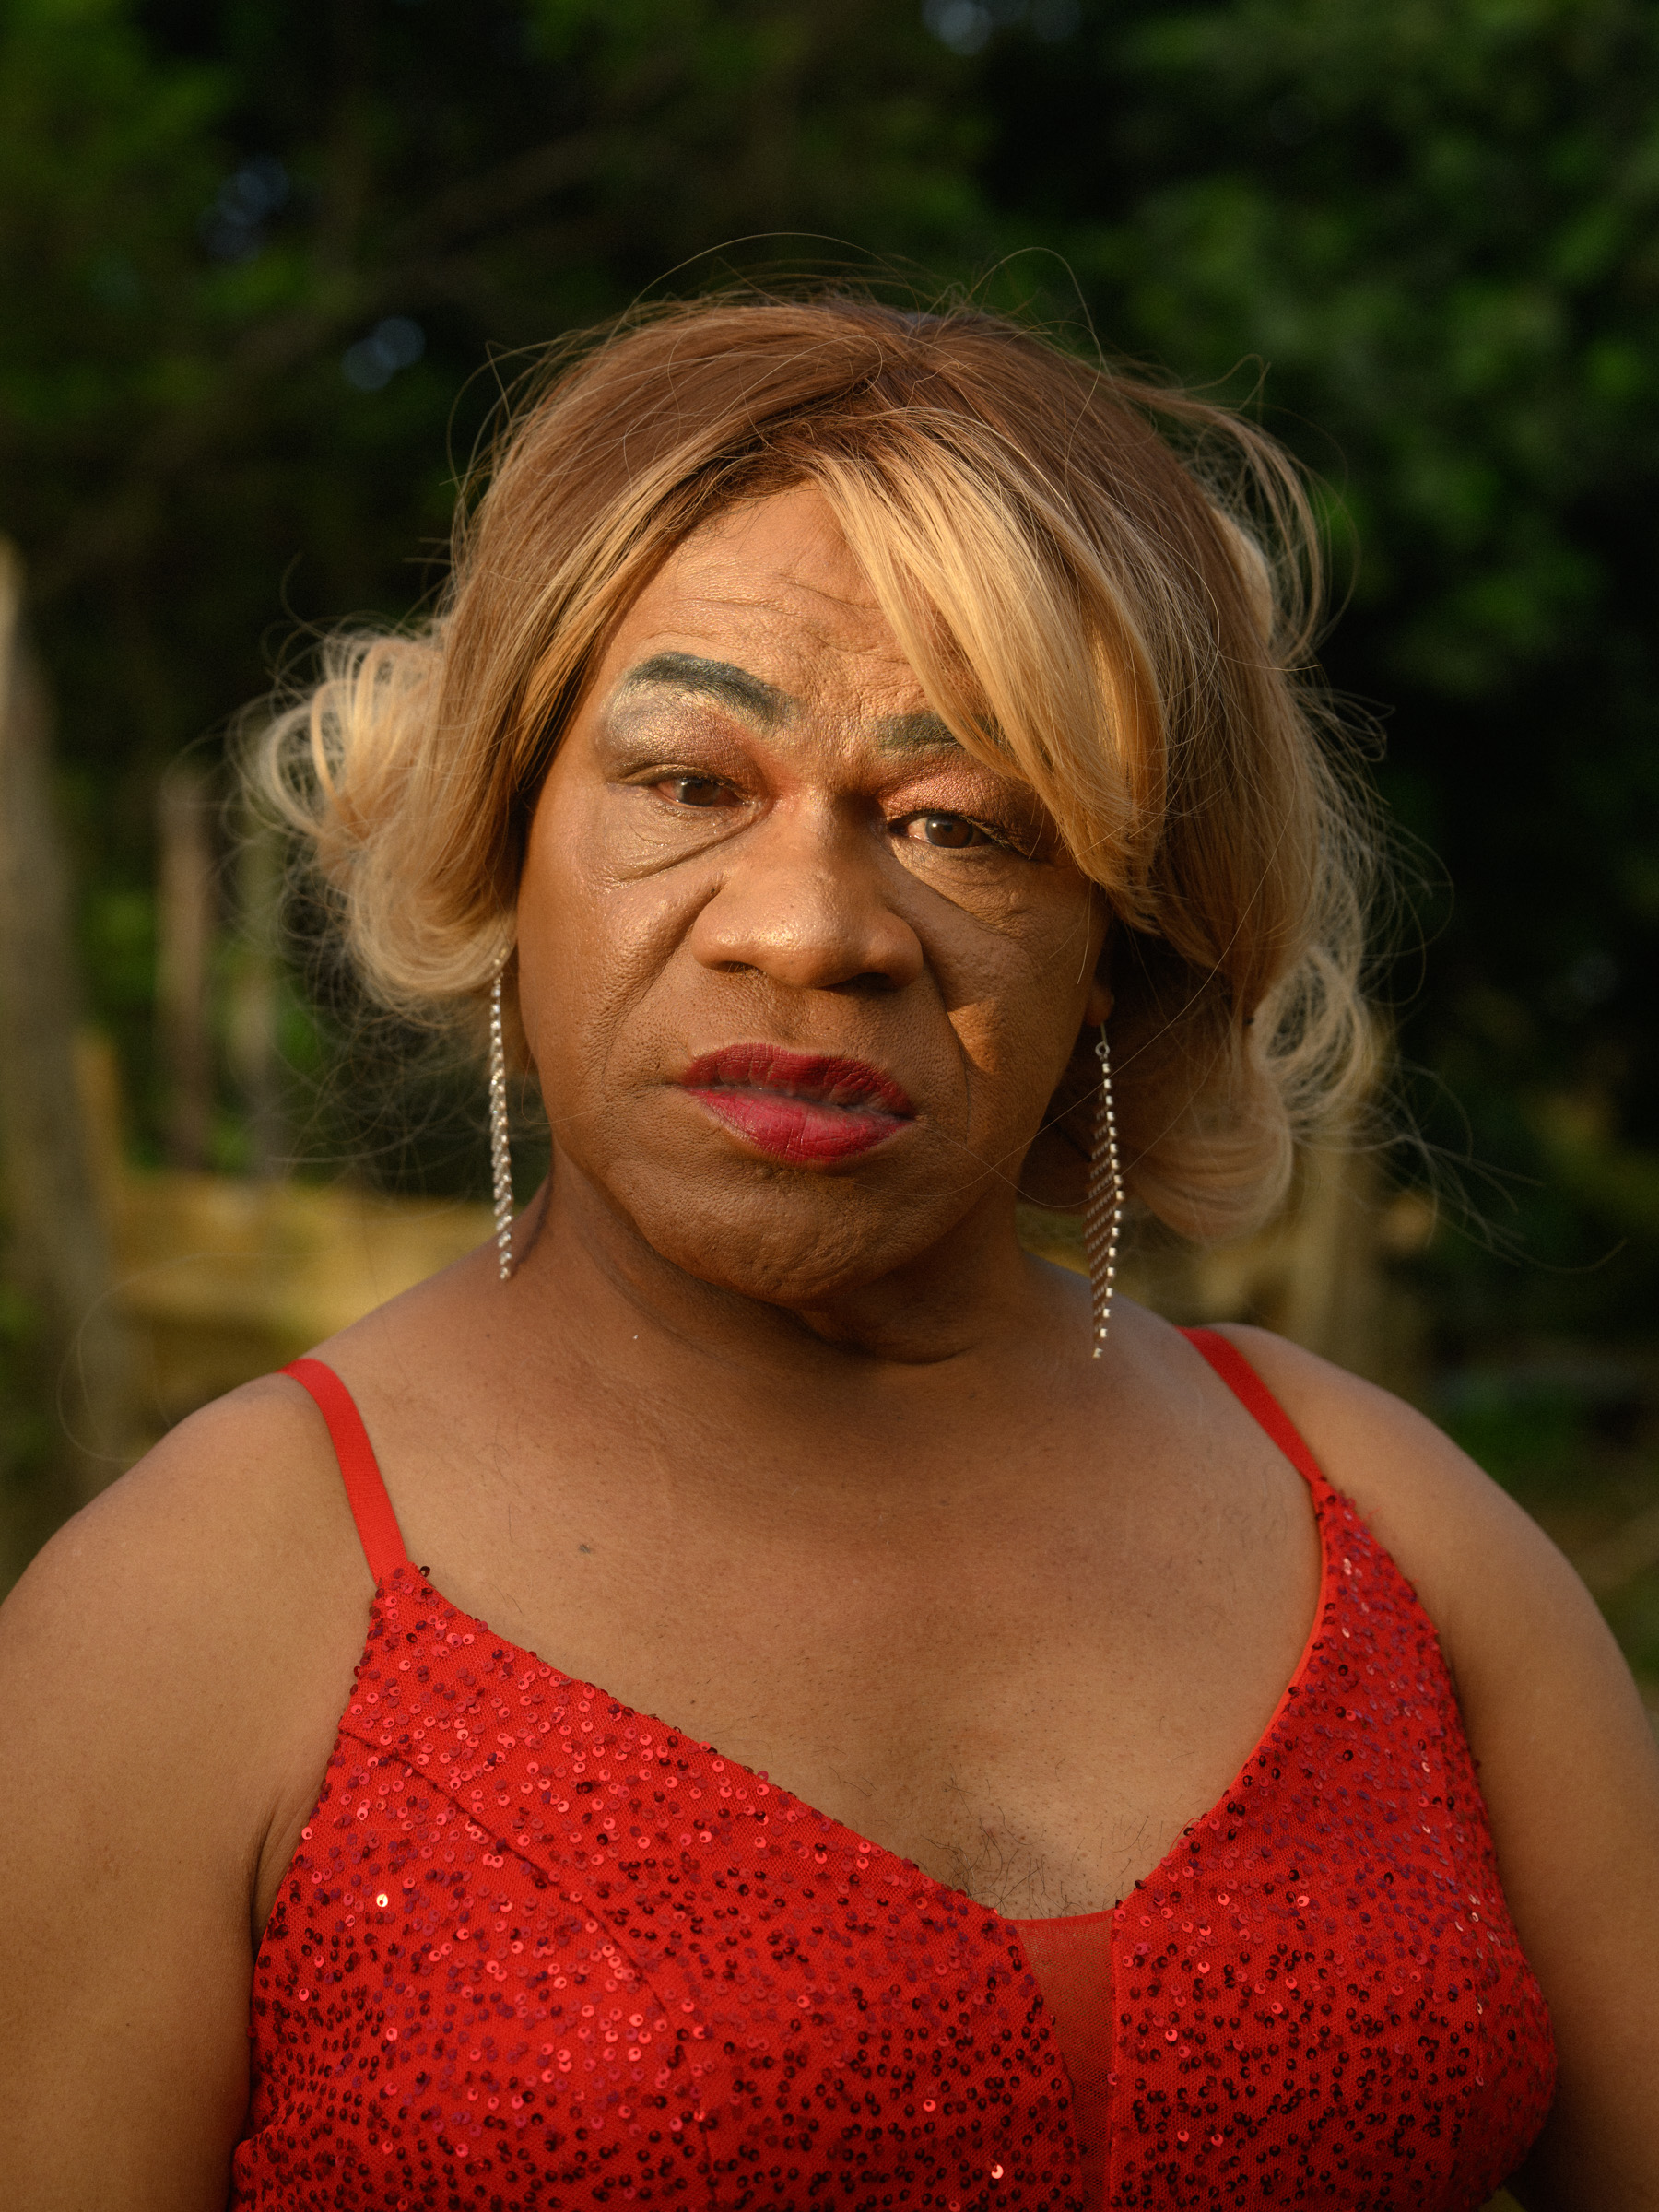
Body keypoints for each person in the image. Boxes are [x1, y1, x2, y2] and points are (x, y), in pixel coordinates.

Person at [1, 293, 1654, 2212]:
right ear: (502, 831)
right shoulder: (200, 1613)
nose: (808, 930)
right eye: (692, 783)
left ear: (1123, 943)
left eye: (964, 825)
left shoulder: (1393, 1531)